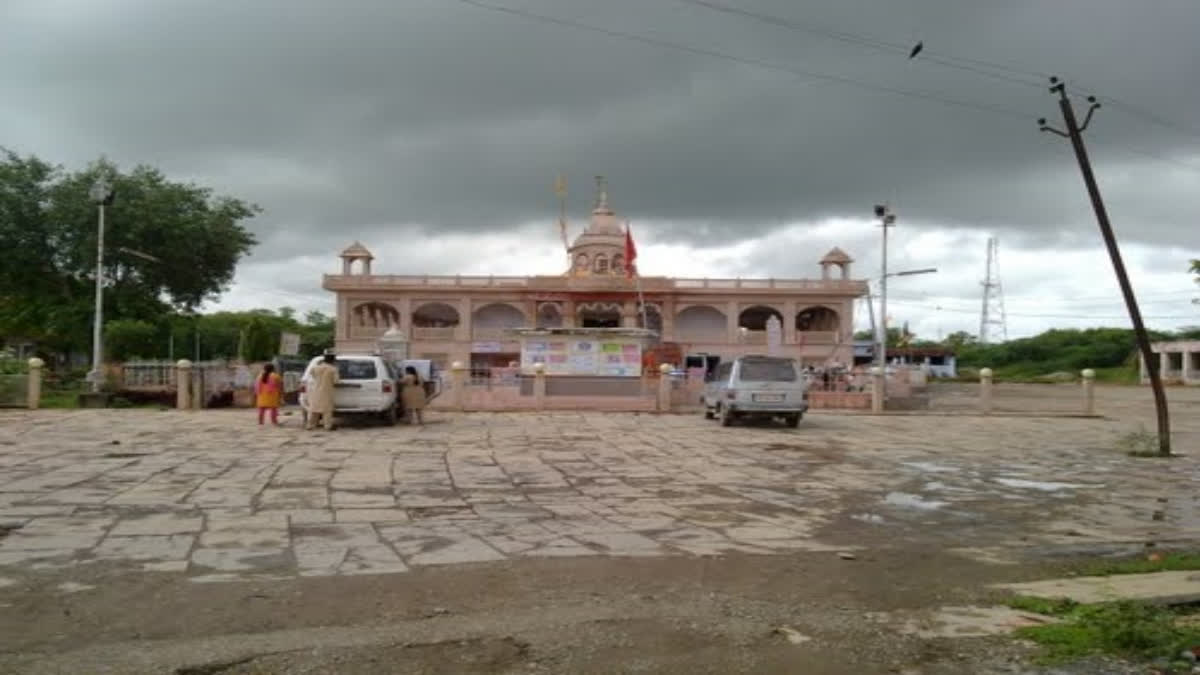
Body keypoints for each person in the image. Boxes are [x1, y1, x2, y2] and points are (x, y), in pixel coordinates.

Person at [306, 353, 338, 431]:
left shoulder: (315, 367)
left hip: (316, 390)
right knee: (327, 410)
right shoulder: (333, 369)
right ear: (332, 361)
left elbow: (312, 374)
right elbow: (336, 381)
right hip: (326, 391)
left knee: (313, 409)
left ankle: (310, 425)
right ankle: (327, 426)